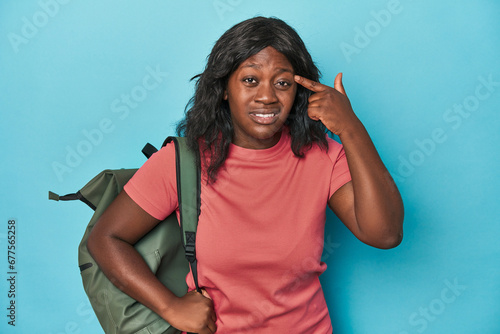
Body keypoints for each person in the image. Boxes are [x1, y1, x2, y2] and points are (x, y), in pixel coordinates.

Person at [87, 16, 404, 334]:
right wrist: (171, 307)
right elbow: (106, 239)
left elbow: (385, 234)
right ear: (224, 89)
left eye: (282, 83)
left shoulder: (322, 157)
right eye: (251, 80)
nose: (267, 96)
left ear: (299, 91)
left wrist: (350, 127)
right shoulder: (183, 161)